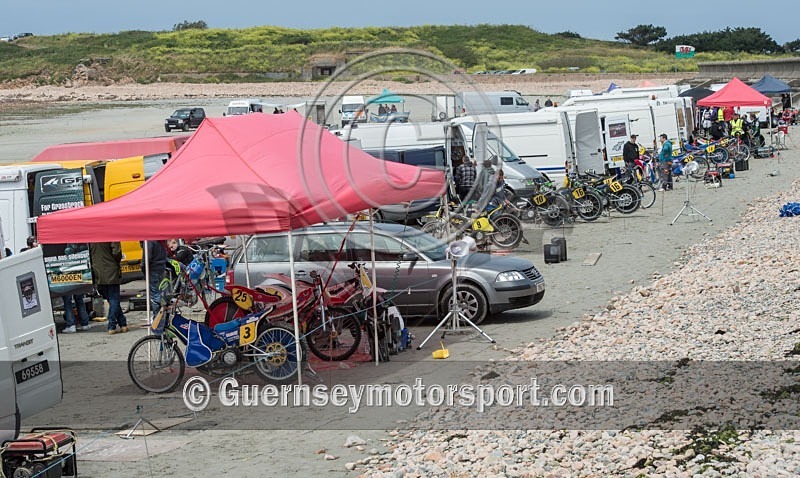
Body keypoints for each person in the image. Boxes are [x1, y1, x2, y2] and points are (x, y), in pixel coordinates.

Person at [89, 242, 128, 335]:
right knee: (114, 299)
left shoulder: (92, 238)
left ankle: (123, 324)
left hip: (98, 271)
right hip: (111, 270)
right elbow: (117, 252)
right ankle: (112, 325)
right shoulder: (111, 236)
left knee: (111, 299)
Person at [145, 240, 168, 319]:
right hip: (161, 268)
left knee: (155, 295)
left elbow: (147, 257)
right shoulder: (160, 239)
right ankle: (163, 316)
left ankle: (158, 318)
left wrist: (143, 268)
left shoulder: (149, 241)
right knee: (161, 293)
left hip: (153, 269)